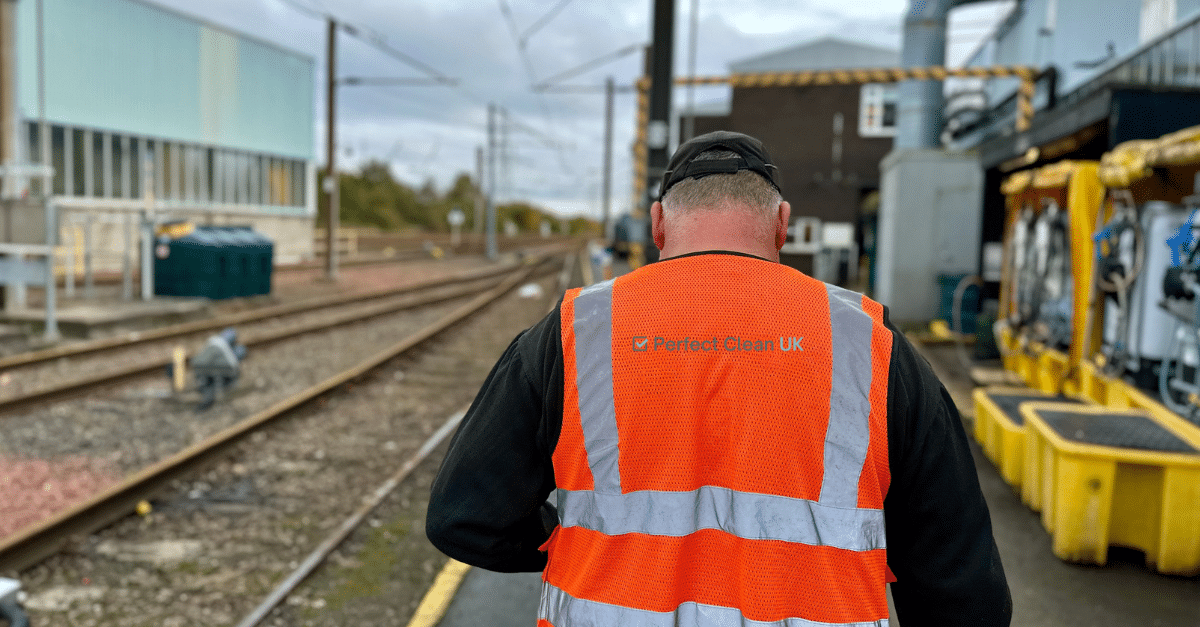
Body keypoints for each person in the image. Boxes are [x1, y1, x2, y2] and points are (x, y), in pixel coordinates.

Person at [427, 130, 1012, 626]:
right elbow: (963, 589)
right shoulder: (871, 342)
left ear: (658, 224)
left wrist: (567, 542)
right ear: (782, 223)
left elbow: (465, 517)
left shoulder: (574, 332)